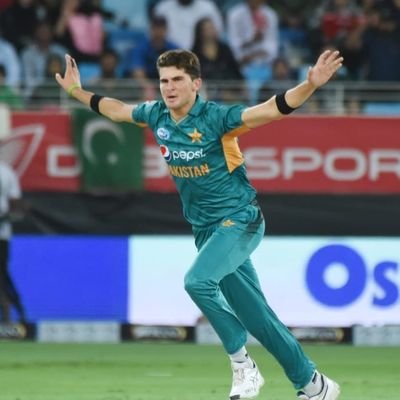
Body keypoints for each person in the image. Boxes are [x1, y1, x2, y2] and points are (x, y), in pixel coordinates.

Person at [55, 49, 343, 400]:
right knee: (257, 318)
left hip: (241, 220)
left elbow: (271, 109)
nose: (169, 87)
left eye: (177, 79)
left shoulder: (216, 118)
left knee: (197, 282)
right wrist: (75, 91)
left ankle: (242, 364)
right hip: (207, 231)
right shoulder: (156, 114)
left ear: (196, 84)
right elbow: (116, 110)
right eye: (164, 80)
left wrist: (310, 85)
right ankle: (315, 385)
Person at [0, 161, 27, 323]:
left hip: (1, 235)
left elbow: (16, 208)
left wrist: (5, 217)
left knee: (1, 274)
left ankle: (14, 311)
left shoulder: (6, 172)